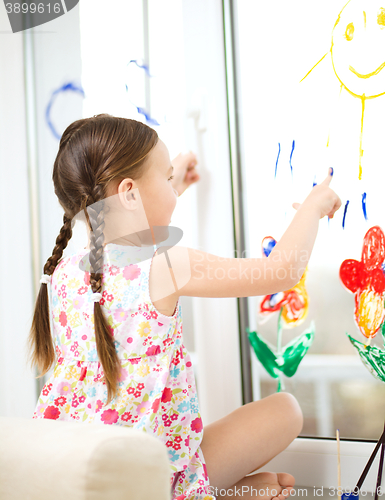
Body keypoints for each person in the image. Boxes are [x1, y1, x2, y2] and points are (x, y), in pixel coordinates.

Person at [28, 114, 341, 500]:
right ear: (128, 192)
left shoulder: (61, 274)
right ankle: (204, 492)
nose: (172, 190)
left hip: (77, 475)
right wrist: (312, 207)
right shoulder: (168, 266)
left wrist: (170, 181)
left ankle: (222, 491)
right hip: (155, 482)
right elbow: (280, 271)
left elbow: (127, 222)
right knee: (286, 411)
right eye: (165, 177)